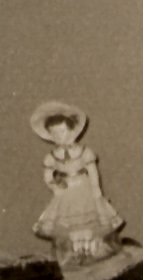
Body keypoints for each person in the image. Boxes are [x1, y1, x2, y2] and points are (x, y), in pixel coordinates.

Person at [30, 101, 124, 266]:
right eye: (55, 133)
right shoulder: (52, 156)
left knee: (93, 217)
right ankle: (73, 252)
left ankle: (96, 248)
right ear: (50, 136)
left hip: (84, 187)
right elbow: (48, 174)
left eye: (63, 131)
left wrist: (96, 189)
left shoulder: (83, 152)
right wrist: (54, 186)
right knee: (66, 221)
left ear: (72, 131)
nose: (60, 136)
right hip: (66, 192)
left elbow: (92, 170)